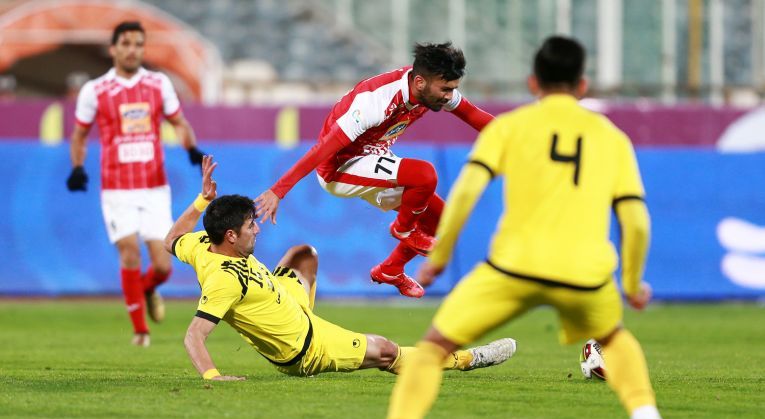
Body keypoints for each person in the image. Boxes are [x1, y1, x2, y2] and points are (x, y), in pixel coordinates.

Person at [357, 36, 690, 419]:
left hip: (513, 268)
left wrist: (437, 259)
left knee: (435, 347)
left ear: (533, 83)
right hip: (584, 271)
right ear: (583, 85)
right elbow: (636, 219)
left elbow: (465, 194)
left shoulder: (511, 128)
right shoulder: (611, 139)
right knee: (615, 339)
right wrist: (631, 281)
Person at [165, 155, 517, 381]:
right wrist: (213, 376)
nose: (257, 229)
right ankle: (466, 359)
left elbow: (172, 239)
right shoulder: (223, 281)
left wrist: (202, 201)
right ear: (230, 235)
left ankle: (295, 308)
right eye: (249, 226)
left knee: (303, 254)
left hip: (285, 302)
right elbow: (194, 335)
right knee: (386, 350)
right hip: (305, 347)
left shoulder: (201, 244)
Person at [255, 42, 493, 299]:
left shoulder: (430, 87)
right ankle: (404, 229)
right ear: (420, 82)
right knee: (424, 175)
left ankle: (391, 269)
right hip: (339, 168)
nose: (449, 96)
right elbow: (322, 150)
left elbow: (474, 115)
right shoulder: (376, 102)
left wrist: (517, 136)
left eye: (453, 89)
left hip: (373, 156)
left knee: (442, 221)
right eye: (446, 89)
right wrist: (279, 190)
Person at [68, 21, 205, 347]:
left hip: (154, 187)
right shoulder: (95, 90)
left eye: (138, 44)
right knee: (129, 252)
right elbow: (80, 135)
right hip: (116, 188)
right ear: (113, 48)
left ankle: (146, 288)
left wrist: (191, 148)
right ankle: (140, 331)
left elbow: (178, 122)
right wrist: (77, 167)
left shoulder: (158, 84)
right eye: (126, 43)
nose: (132, 50)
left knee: (163, 264)